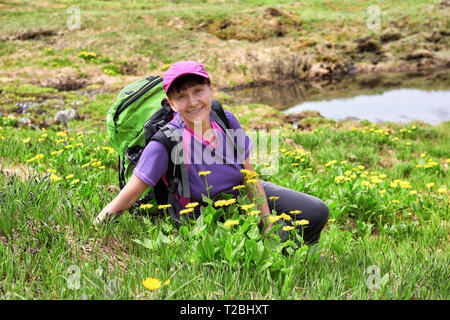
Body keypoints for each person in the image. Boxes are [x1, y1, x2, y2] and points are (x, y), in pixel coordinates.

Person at [94, 60, 329, 244]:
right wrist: (92, 232)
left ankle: (296, 256)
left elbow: (249, 175)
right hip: (203, 217)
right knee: (239, 249)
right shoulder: (165, 142)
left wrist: (266, 222)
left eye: (198, 91)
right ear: (171, 103)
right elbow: (128, 197)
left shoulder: (225, 119)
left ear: (211, 90)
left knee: (317, 211)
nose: (193, 101)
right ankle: (282, 255)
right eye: (182, 96)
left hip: (241, 197)